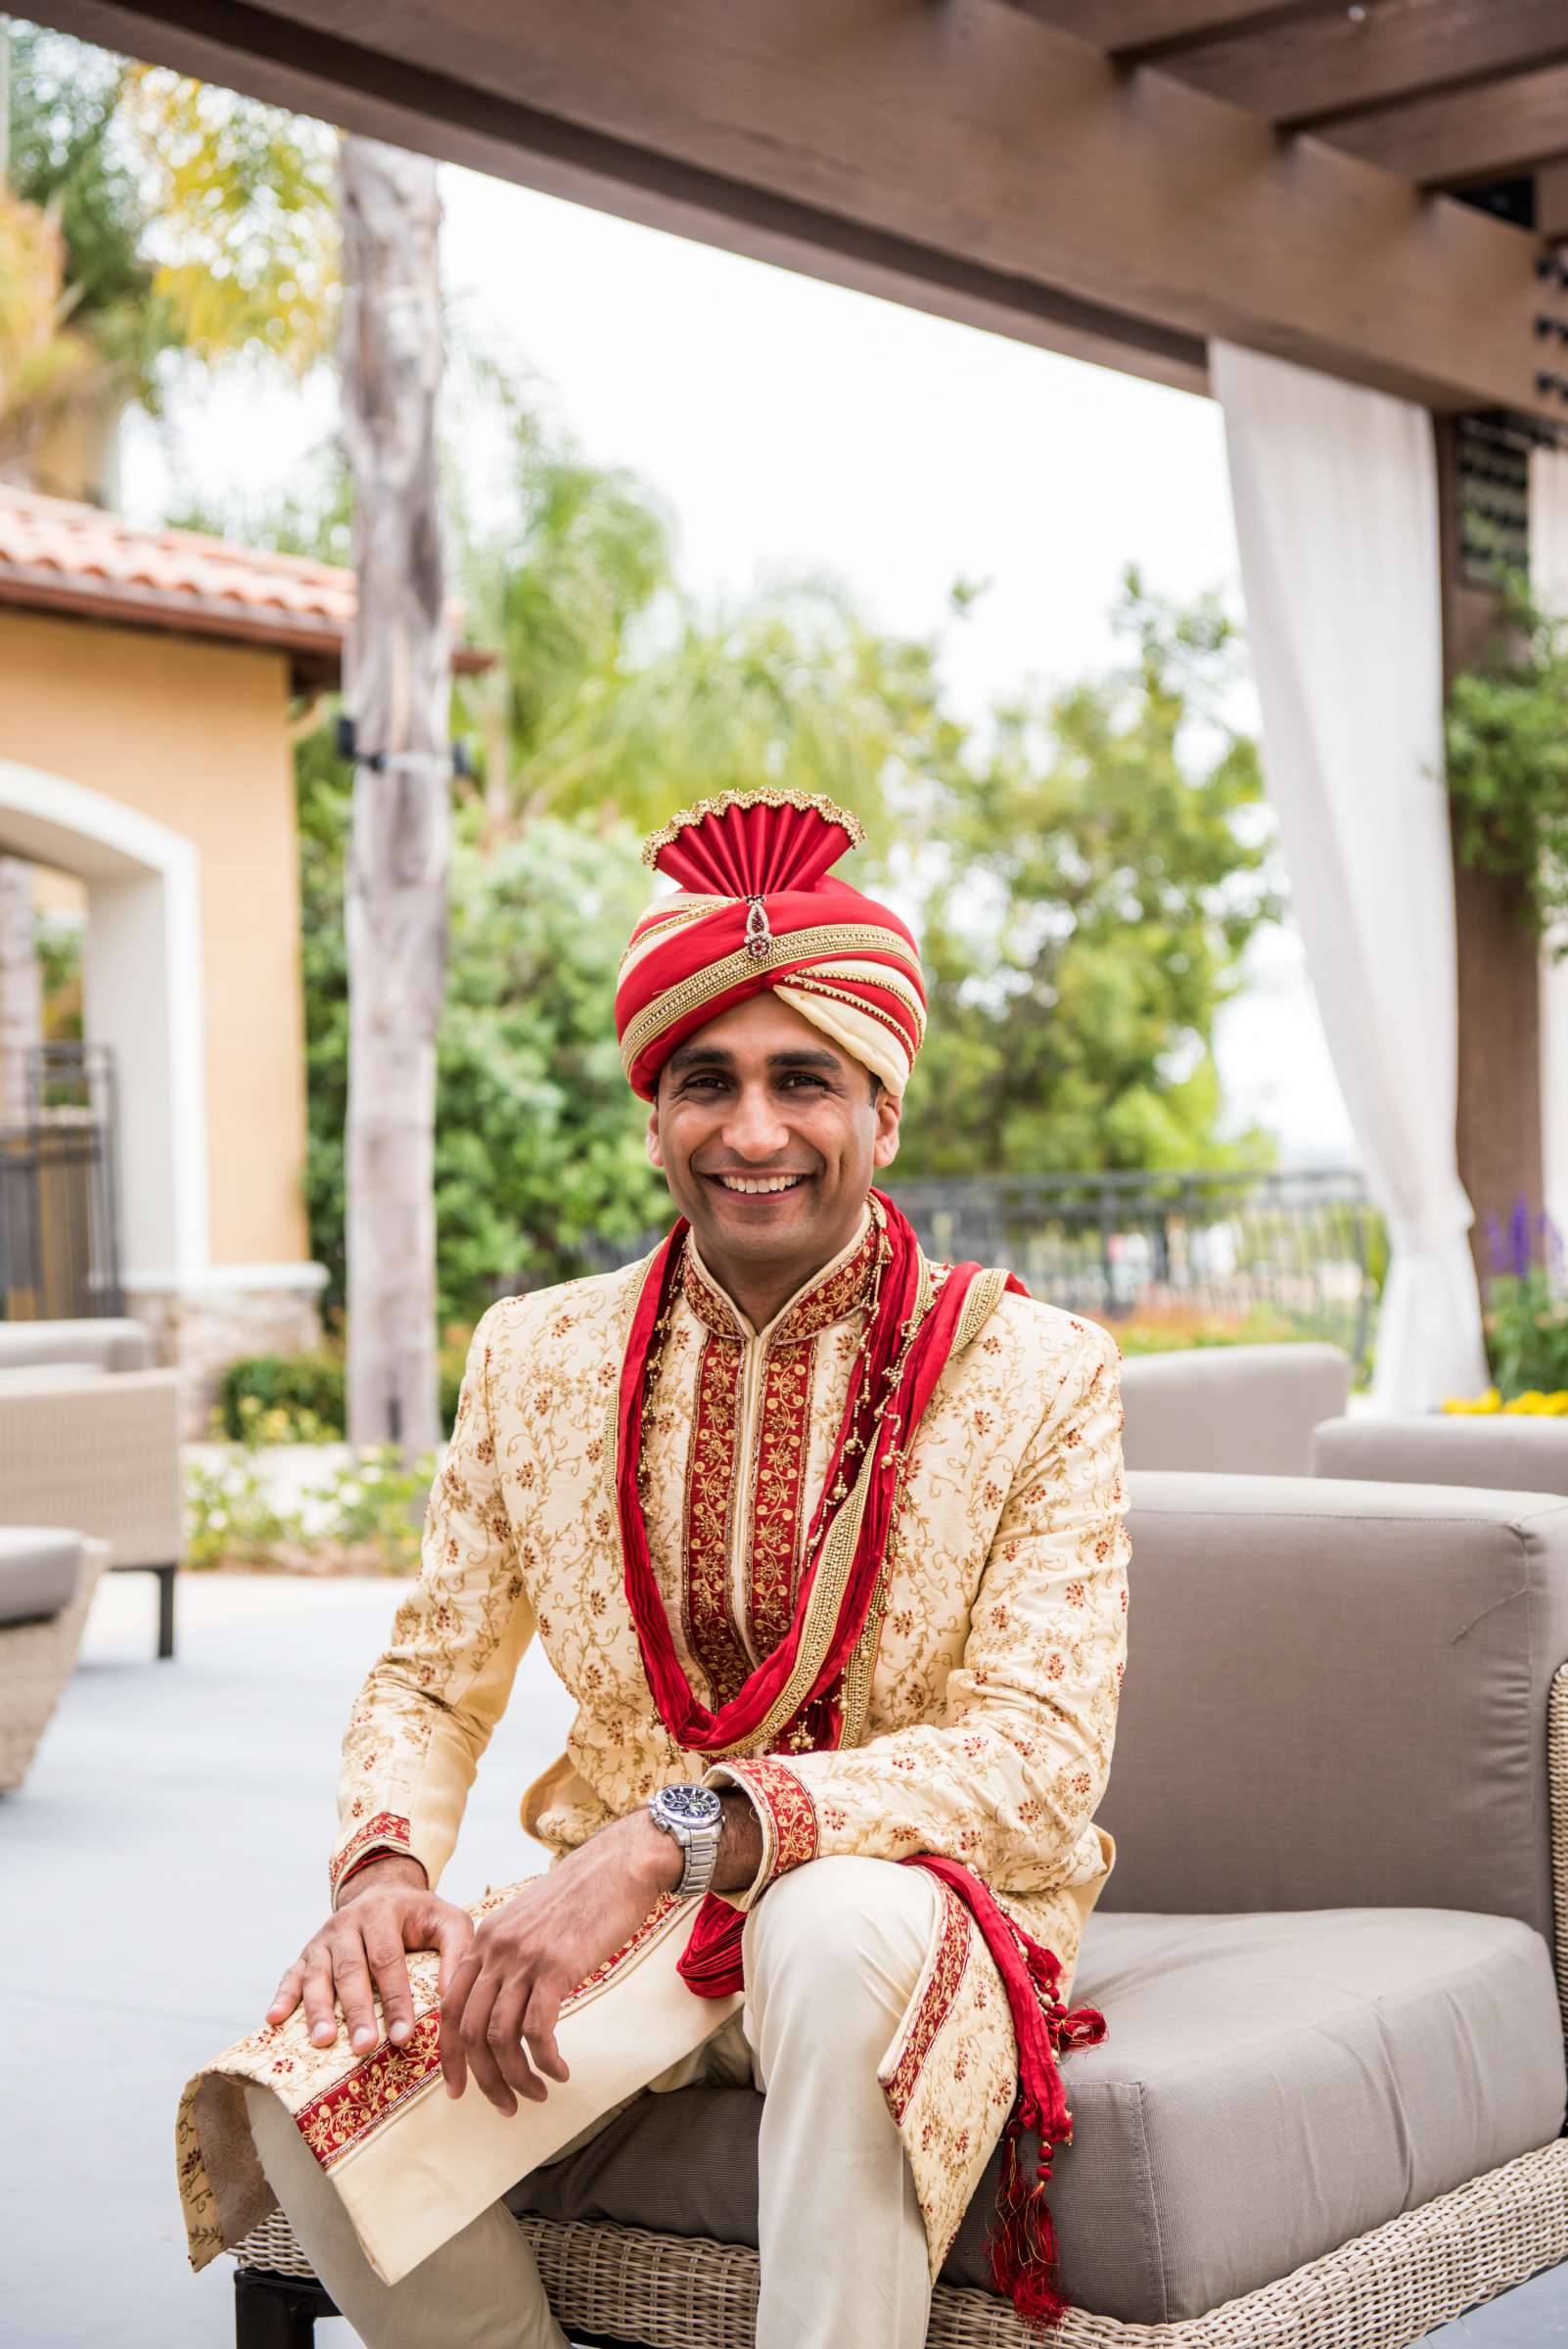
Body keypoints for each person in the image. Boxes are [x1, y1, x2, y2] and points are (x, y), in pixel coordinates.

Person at [177, 787, 1130, 2349]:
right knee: (293, 2085)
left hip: (906, 1908)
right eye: (708, 1082)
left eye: (802, 1081)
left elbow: (1038, 1757)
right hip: (632, 1928)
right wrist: (386, 1871)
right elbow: (434, 1668)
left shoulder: (1033, 1371)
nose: (752, 1131)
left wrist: (662, 1838)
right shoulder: (540, 1357)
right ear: (655, 1115)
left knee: (823, 1928)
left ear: (880, 1114)